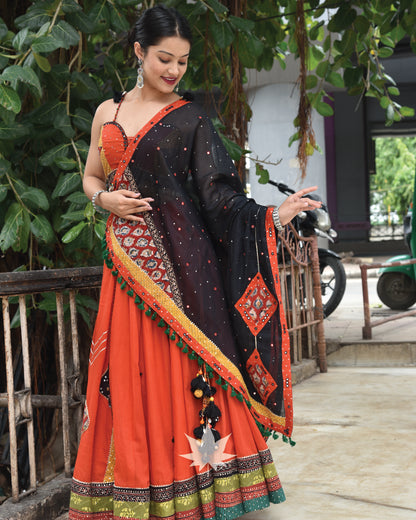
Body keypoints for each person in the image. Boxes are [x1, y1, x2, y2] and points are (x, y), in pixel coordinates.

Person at [68, 5, 322, 520]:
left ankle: (203, 488)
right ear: (139, 52)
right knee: (130, 376)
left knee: (187, 375)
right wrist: (104, 201)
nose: (174, 70)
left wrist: (273, 214)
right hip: (127, 273)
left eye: (183, 61)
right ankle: (140, 487)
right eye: (165, 58)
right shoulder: (106, 113)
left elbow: (220, 198)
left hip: (185, 274)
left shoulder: (192, 118)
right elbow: (92, 178)